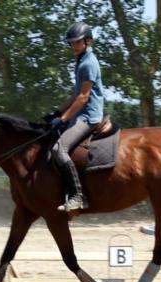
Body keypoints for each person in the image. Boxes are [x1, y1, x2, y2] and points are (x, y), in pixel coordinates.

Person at [51, 22, 104, 212]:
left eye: (77, 42)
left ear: (87, 41)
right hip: (79, 113)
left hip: (89, 116)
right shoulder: (81, 61)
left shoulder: (88, 63)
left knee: (59, 149)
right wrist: (58, 112)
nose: (73, 45)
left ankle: (77, 196)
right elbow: (75, 94)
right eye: (71, 43)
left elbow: (83, 97)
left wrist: (63, 119)